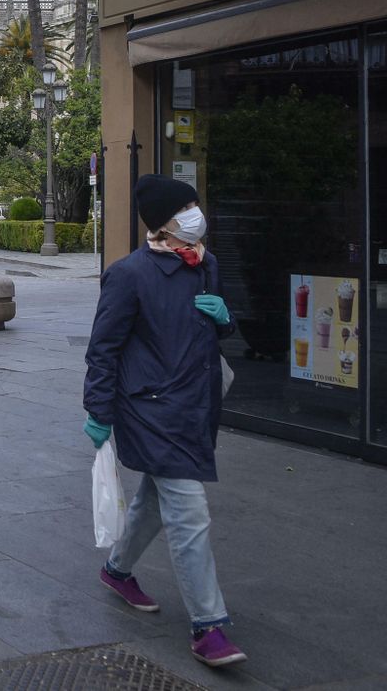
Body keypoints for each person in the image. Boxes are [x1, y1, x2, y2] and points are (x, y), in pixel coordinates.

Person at [83, 174, 246, 669]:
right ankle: (208, 626)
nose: (197, 215)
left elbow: (213, 333)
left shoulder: (206, 264)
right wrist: (98, 411)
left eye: (196, 205)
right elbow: (103, 348)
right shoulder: (129, 274)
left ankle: (117, 570)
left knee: (156, 500)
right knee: (189, 512)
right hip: (150, 409)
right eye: (187, 209)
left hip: (195, 404)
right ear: (164, 223)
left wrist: (225, 319)